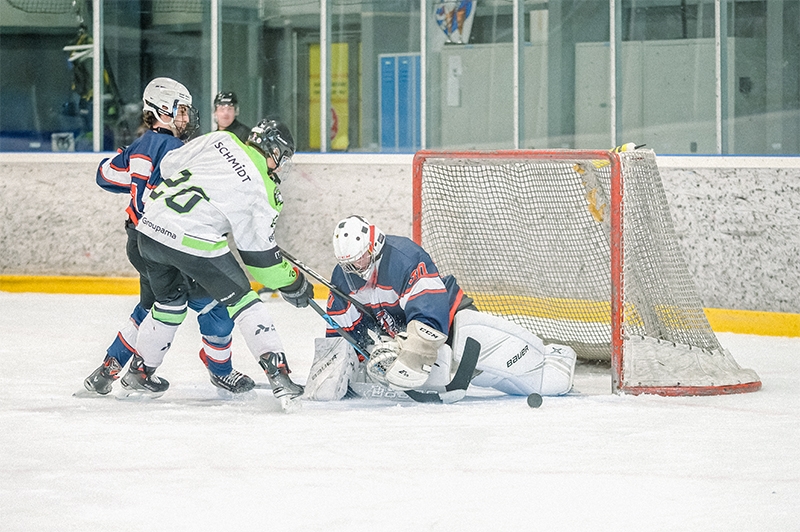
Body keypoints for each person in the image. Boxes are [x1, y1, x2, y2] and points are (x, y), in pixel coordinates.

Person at [84, 77, 256, 397]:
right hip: (167, 240)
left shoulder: (140, 145)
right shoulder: (176, 150)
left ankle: (108, 368)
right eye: (181, 111)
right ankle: (221, 370)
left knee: (151, 306)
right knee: (211, 301)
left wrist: (132, 157)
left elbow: (105, 175)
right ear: (163, 110)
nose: (187, 118)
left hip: (137, 241)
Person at [126, 118, 312, 403]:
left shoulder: (221, 140)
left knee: (170, 303)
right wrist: (294, 282)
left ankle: (140, 373)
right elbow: (262, 263)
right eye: (282, 158)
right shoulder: (264, 189)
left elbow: (169, 165)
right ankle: (279, 374)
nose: (281, 165)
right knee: (242, 300)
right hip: (191, 239)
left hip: (149, 229)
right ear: (273, 151)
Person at [293, 215, 577, 401]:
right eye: (350, 263)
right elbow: (342, 329)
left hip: (452, 322)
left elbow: (429, 312)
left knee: (519, 372)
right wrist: (348, 363)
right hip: (403, 341)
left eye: (361, 259)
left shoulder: (402, 256)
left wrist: (412, 353)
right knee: (456, 375)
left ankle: (553, 359)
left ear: (373, 245)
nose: (357, 267)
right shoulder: (343, 276)